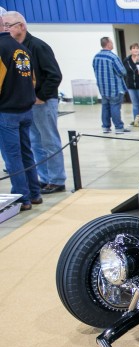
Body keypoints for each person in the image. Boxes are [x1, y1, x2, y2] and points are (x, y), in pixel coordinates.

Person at [4, 11, 66, 194]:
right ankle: (45, 178)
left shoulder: (38, 46)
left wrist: (41, 96)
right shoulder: (15, 48)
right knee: (35, 143)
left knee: (49, 141)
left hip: (43, 102)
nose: (5, 29)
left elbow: (54, 75)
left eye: (8, 25)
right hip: (29, 104)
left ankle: (56, 179)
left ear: (20, 26)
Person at [0, 24, 41, 211]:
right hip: (25, 108)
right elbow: (31, 80)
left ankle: (22, 197)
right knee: (26, 153)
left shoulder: (1, 48)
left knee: (13, 157)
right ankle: (34, 193)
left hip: (7, 111)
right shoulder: (22, 48)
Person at [92, 37, 130, 134]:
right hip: (115, 88)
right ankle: (118, 127)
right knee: (115, 107)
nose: (113, 44)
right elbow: (122, 72)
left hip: (103, 88)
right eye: (112, 42)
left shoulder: (96, 57)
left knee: (105, 107)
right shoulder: (113, 57)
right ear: (108, 44)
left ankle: (105, 127)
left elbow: (95, 70)